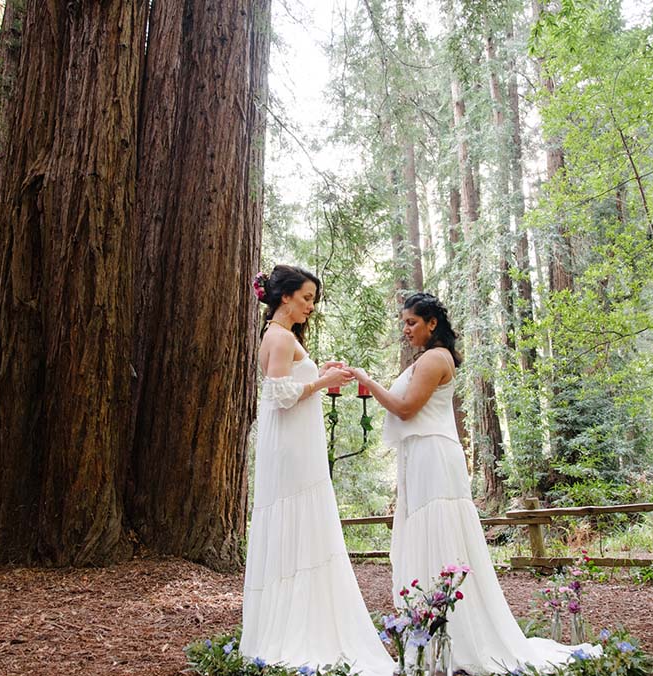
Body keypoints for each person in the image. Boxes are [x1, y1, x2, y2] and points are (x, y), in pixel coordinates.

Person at [347, 293, 599, 674]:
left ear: (432, 323)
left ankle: (452, 635)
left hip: (434, 456)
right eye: (404, 323)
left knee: (440, 533)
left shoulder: (435, 358)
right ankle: (428, 633)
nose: (406, 330)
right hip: (420, 455)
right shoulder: (428, 358)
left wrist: (366, 380)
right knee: (423, 534)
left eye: (412, 322)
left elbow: (405, 408)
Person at [241, 265, 395, 675]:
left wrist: (319, 373)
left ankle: (309, 618)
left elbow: (290, 382)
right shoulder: (277, 336)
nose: (311, 306)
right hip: (292, 451)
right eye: (306, 298)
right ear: (285, 296)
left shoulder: (284, 338)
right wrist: (322, 381)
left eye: (313, 299)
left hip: (297, 444)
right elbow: (277, 393)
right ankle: (297, 631)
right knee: (299, 523)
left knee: (307, 528)